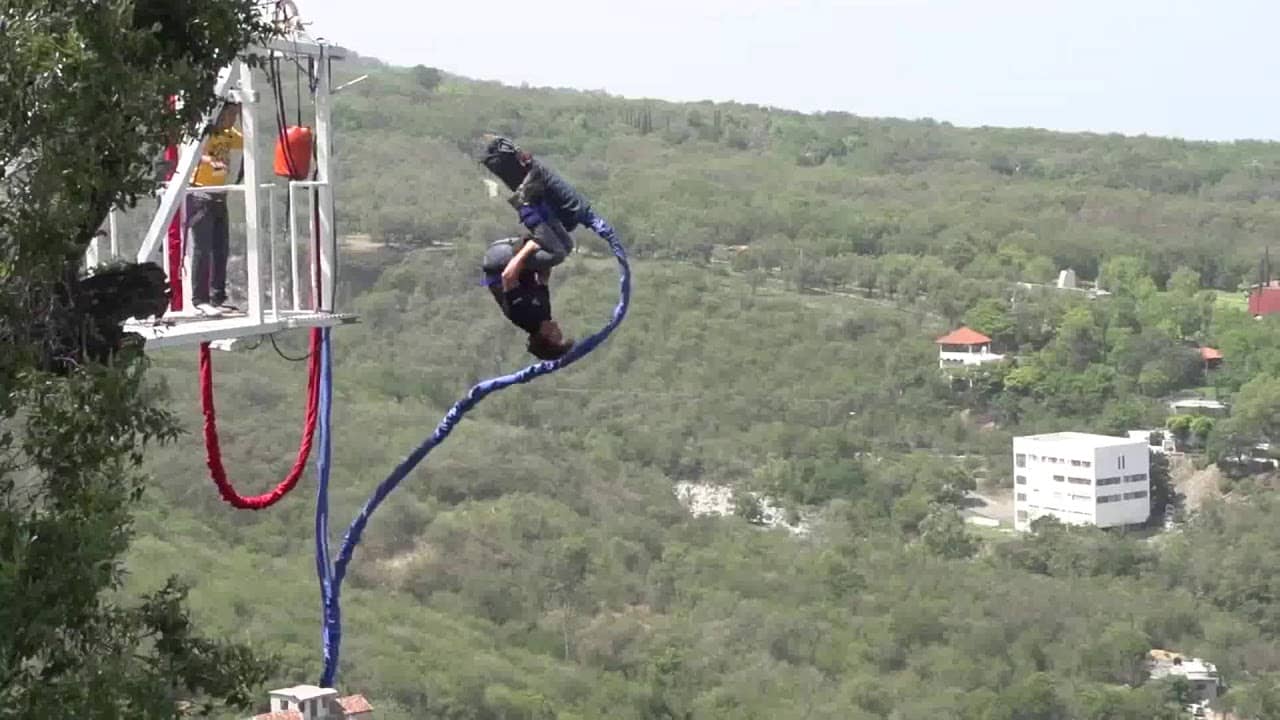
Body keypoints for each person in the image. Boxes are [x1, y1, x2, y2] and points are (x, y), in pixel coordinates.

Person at [187, 102, 243, 317]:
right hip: (201, 193)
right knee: (203, 248)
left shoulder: (230, 134)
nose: (233, 119)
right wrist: (211, 160)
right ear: (221, 113)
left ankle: (217, 297)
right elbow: (194, 152)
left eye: (236, 115)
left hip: (220, 194)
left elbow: (248, 141)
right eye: (231, 114)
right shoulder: (206, 133)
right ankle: (200, 299)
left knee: (221, 247)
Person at [481, 237, 575, 360]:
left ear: (545, 336)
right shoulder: (544, 315)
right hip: (519, 265)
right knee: (563, 247)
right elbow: (543, 279)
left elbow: (508, 277)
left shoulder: (523, 316)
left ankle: (534, 225)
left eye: (558, 337)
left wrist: (529, 248)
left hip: (498, 261)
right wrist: (547, 261)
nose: (560, 332)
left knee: (555, 254)